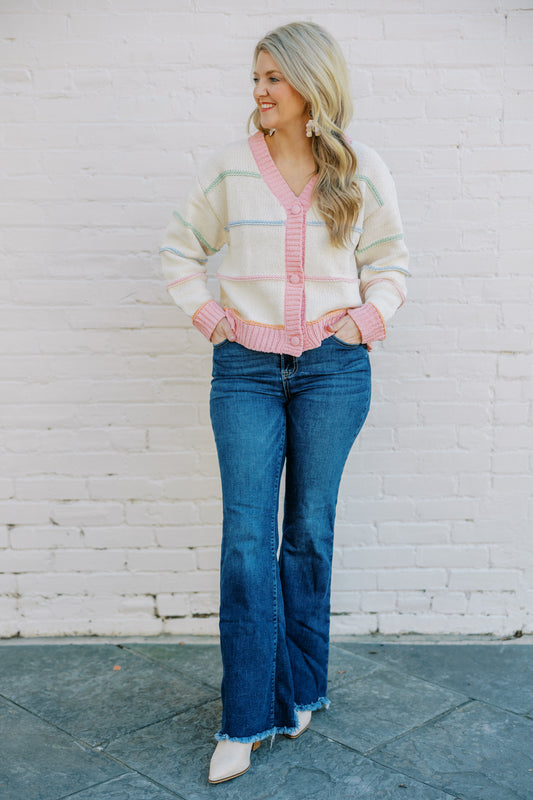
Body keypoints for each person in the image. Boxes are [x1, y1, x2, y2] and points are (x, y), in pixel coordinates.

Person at [159, 21, 409, 784]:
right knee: (245, 539)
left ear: (309, 85)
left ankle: (300, 688)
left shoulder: (360, 169)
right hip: (244, 372)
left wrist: (365, 322)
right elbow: (179, 250)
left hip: (334, 372)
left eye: (273, 77)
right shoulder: (231, 169)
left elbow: (389, 261)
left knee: (306, 532)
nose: (259, 91)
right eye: (255, 77)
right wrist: (212, 319)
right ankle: (244, 718)